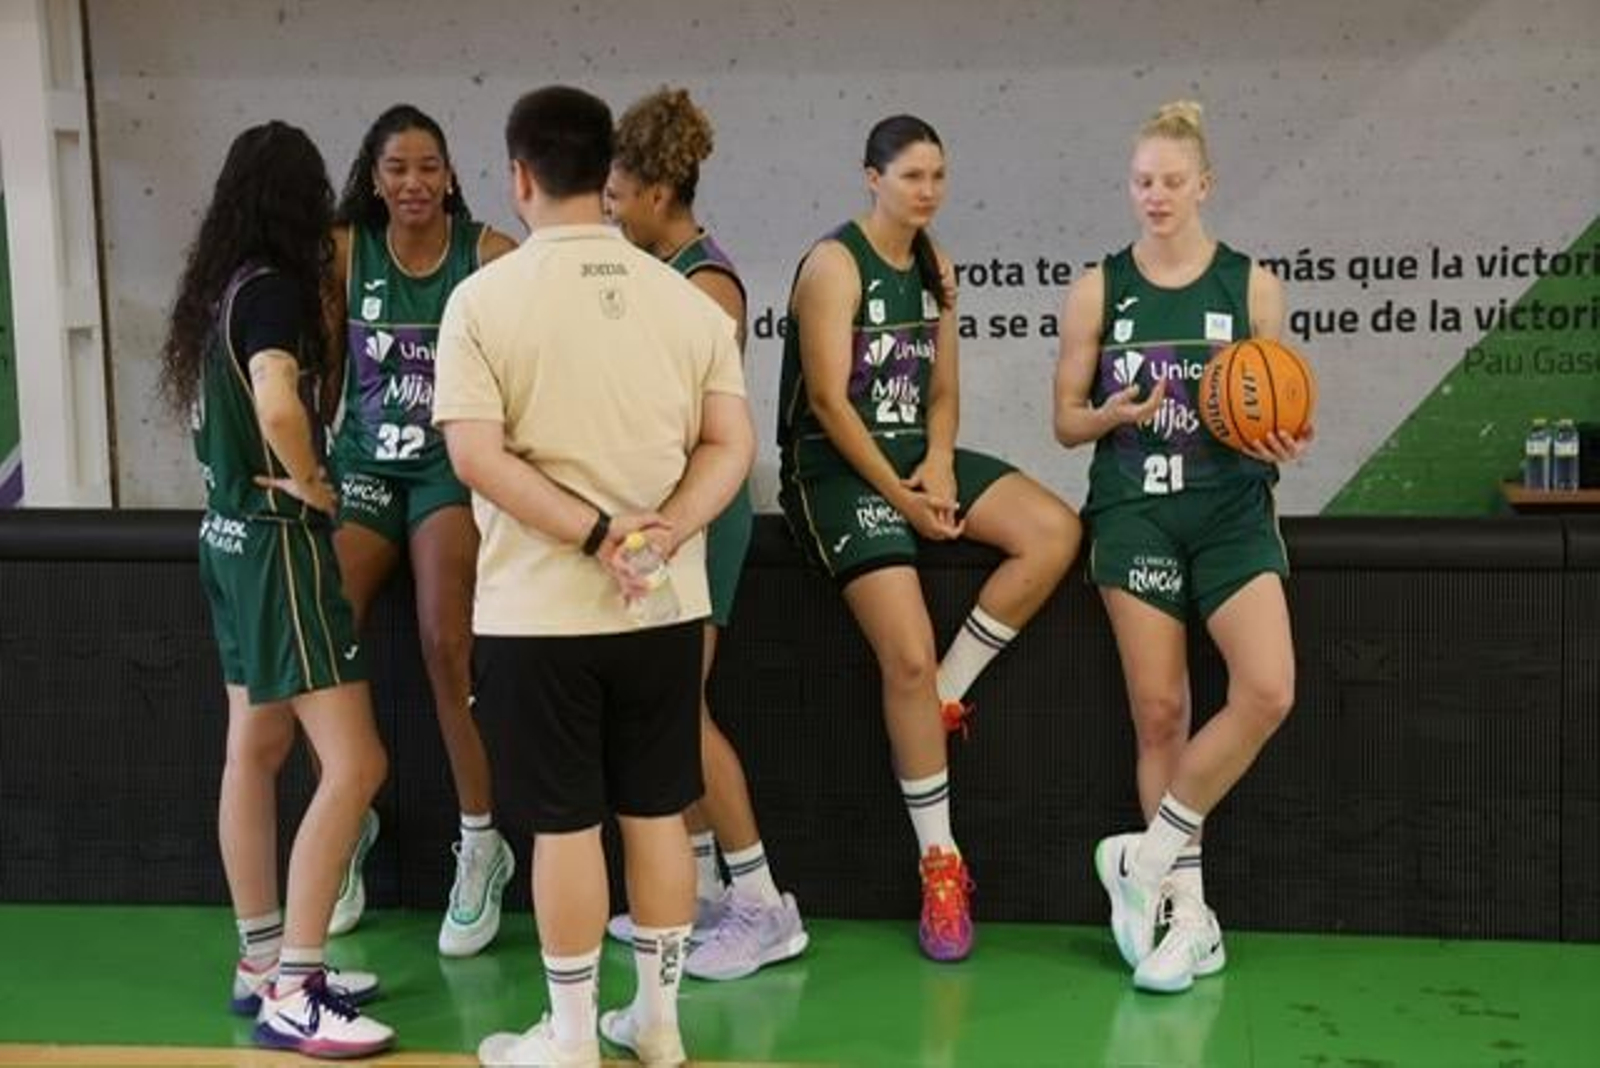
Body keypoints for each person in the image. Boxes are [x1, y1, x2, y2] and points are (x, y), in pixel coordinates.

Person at [435, 85, 754, 1067]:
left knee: (565, 826)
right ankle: (657, 1028)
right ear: (606, 175)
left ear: (520, 176)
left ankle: (571, 1035)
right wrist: (656, 539)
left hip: (540, 611)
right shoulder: (679, 293)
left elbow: (477, 459)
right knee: (658, 809)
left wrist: (596, 535)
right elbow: (729, 445)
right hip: (662, 601)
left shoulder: (480, 298)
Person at [776, 114, 1080, 962]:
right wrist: (904, 502)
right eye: (912, 175)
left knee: (1054, 532)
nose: (928, 191)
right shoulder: (835, 266)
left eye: (938, 176)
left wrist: (941, 463)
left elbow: (944, 389)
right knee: (901, 655)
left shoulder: (938, 266)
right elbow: (832, 406)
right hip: (836, 470)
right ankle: (940, 865)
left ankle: (949, 691)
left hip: (913, 456)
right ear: (870, 178)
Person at [1052, 100, 1311, 993]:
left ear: (1205, 185)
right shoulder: (1099, 287)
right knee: (1160, 711)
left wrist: (1278, 434)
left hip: (1233, 511)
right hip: (1136, 511)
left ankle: (1144, 857)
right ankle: (1186, 915)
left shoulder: (1252, 285)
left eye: (1171, 181)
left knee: (1268, 688)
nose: (1155, 195)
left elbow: (1274, 398)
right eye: (1141, 181)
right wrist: (1107, 416)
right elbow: (1063, 422)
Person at [158, 120, 392, 1057]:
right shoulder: (278, 295)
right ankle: (299, 980)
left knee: (253, 746)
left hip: (221, 536)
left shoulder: (222, 289)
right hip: (276, 544)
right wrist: (313, 480)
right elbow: (279, 399)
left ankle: (259, 959)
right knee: (357, 763)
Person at [603, 85, 808, 981]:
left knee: (680, 713)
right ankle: (686, 896)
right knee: (659, 712)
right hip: (660, 518)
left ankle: (765, 906)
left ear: (656, 191)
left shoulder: (708, 281)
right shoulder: (653, 271)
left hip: (699, 516)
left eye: (615, 197)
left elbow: (689, 417)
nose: (608, 213)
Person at [324, 104, 519, 956]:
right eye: (397, 168)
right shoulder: (344, 252)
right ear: (374, 177)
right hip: (365, 464)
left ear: (449, 175)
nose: (413, 182)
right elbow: (321, 371)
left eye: (428, 167)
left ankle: (483, 842)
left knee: (447, 637)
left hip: (446, 467)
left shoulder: (488, 255)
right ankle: (346, 820)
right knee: (325, 627)